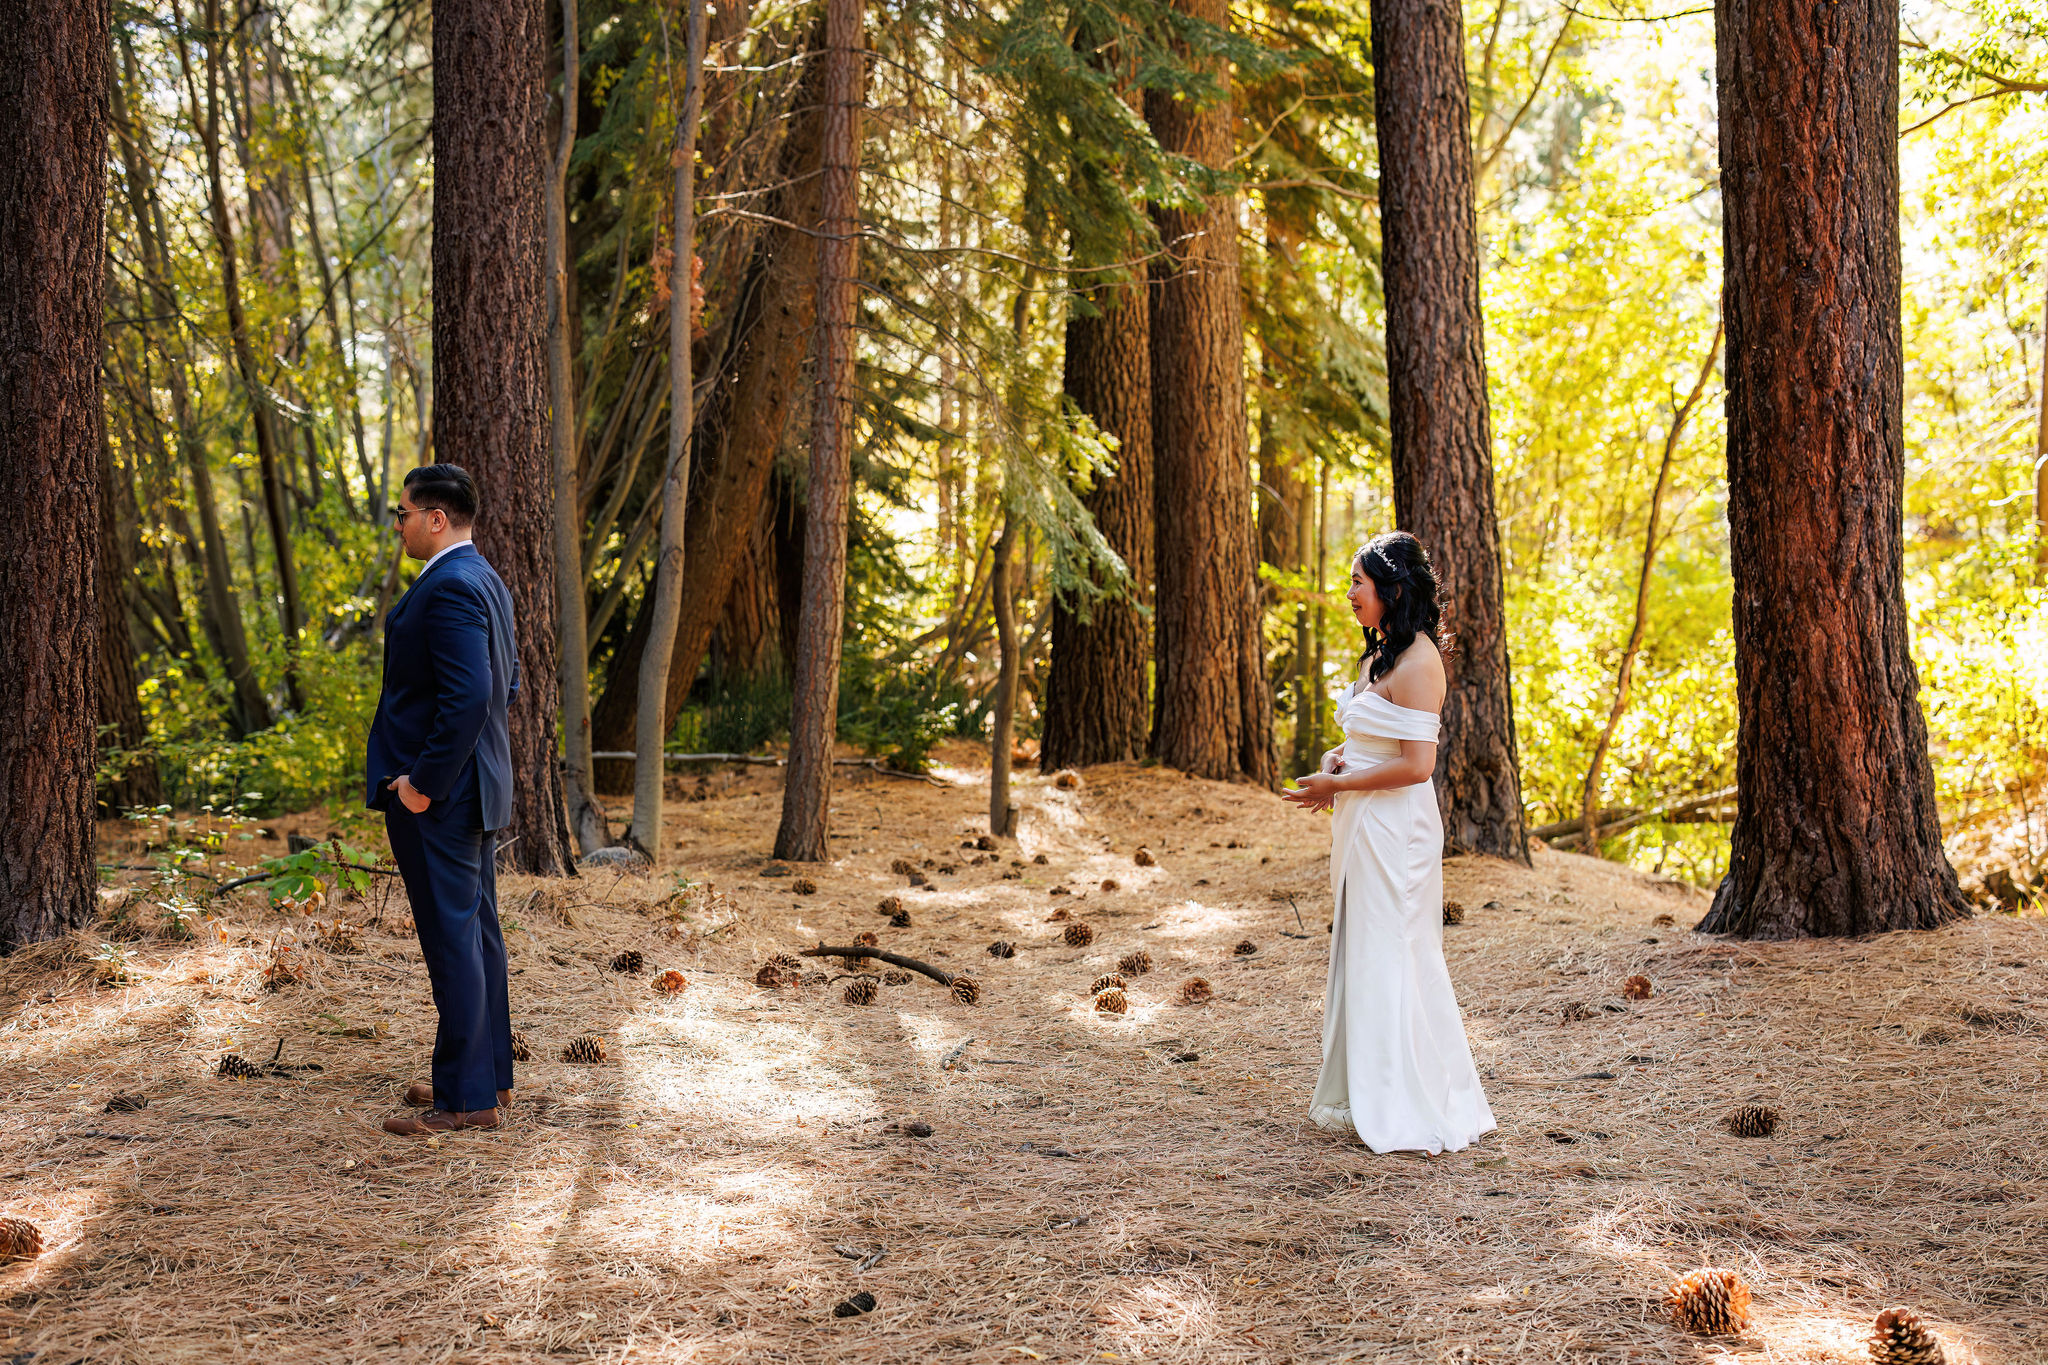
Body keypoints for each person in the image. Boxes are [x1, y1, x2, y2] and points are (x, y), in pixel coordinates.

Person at [1280, 531, 1496, 1154]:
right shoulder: (1377, 659)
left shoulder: (1422, 662)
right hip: (1360, 823)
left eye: (1358, 584)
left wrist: (1341, 782)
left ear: (1392, 591)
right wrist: (1336, 762)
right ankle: (1366, 1086)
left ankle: (1408, 1097)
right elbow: (1371, 742)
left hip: (1397, 827)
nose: (1350, 594)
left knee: (1395, 950)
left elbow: (1417, 764)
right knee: (1362, 947)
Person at [366, 464, 520, 1136]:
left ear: (434, 517)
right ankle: (487, 1080)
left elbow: (473, 696)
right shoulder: (485, 579)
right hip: (475, 787)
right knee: (477, 935)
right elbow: (506, 685)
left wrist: (421, 783)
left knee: (454, 941)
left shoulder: (452, 585)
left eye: (401, 513)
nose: (396, 524)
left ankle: (463, 1103)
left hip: (445, 796)